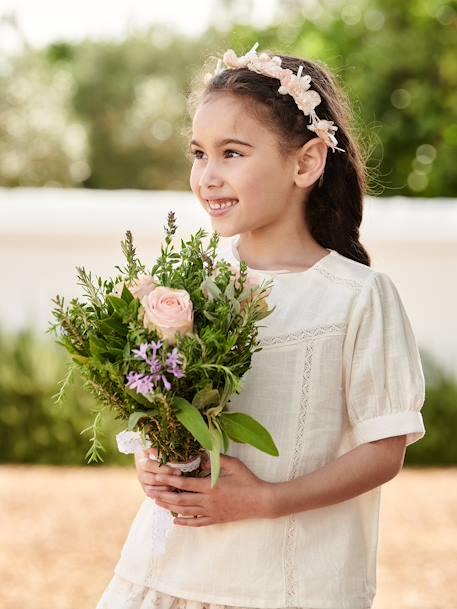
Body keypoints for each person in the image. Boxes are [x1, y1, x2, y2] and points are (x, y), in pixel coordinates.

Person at [96, 43, 426, 609]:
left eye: (232, 153)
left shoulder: (357, 297)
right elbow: (160, 404)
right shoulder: (192, 289)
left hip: (288, 585)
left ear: (306, 162)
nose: (208, 176)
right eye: (199, 153)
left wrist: (266, 500)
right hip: (169, 571)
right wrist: (151, 459)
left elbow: (384, 449)